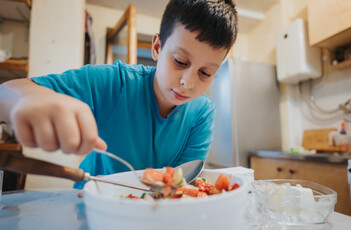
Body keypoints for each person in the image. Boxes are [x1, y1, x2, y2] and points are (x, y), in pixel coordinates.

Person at [0, 0, 238, 189]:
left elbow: (183, 179)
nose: (188, 82)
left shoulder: (203, 112)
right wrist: (27, 100)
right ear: (157, 47)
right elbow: (6, 92)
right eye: (179, 61)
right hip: (93, 206)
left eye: (205, 73)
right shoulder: (115, 82)